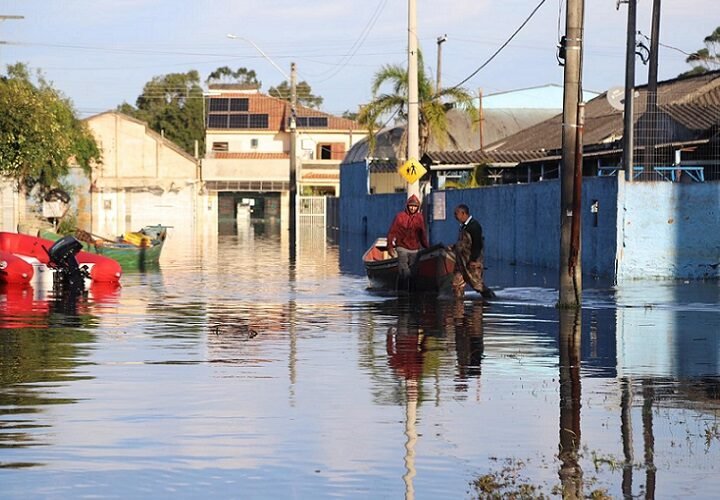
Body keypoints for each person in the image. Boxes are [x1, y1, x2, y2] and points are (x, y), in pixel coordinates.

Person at [450, 204, 495, 299]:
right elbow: (463, 243)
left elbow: (477, 244)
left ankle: (490, 299)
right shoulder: (463, 227)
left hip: (471, 261)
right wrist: (454, 247)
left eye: (456, 214)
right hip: (461, 262)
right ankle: (458, 306)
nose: (455, 216)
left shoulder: (474, 226)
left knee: (477, 285)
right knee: (456, 284)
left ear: (463, 213)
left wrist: (473, 260)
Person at [386, 194, 430, 286]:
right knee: (404, 269)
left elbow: (422, 234)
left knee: (414, 270)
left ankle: (411, 286)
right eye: (411, 206)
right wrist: (390, 246)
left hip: (415, 248)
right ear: (407, 206)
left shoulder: (419, 217)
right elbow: (392, 232)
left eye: (415, 206)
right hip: (402, 246)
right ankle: (405, 287)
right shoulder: (400, 217)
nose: (412, 208)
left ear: (417, 207)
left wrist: (427, 247)